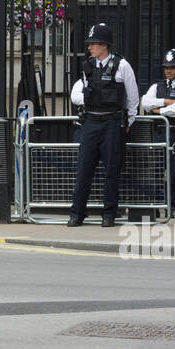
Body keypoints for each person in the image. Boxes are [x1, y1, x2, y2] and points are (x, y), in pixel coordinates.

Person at [68, 23, 139, 228]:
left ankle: (109, 214)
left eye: (93, 43)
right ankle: (77, 214)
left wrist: (128, 122)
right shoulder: (87, 66)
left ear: (104, 45)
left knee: (111, 171)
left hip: (111, 123)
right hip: (90, 122)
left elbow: (133, 98)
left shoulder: (122, 66)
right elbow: (78, 94)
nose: (90, 47)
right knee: (84, 170)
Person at [140, 47, 175, 217]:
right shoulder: (158, 86)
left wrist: (160, 111)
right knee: (156, 171)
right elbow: (146, 102)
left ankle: (173, 207)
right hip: (159, 132)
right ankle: (156, 205)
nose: (168, 71)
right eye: (166, 67)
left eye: (172, 67)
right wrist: (166, 101)